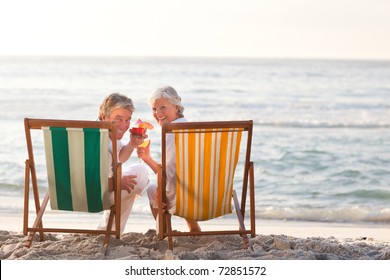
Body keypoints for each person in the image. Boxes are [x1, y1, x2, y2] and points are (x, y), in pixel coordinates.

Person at [137, 86, 201, 232]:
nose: (158, 113)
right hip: (209, 196)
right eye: (154, 109)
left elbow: (168, 174)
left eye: (163, 107)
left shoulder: (172, 132)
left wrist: (160, 189)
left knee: (153, 189)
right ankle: (193, 227)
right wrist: (147, 158)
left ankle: (164, 231)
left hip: (184, 199)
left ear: (176, 107)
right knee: (184, 181)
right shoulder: (192, 128)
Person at [96, 93, 149, 235]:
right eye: (118, 119)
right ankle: (110, 231)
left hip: (72, 196)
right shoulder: (100, 141)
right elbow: (102, 184)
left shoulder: (102, 133)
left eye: (127, 120)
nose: (124, 125)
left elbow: (118, 158)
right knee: (139, 177)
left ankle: (106, 229)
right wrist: (118, 182)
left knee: (137, 174)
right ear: (103, 116)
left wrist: (132, 143)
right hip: (95, 196)